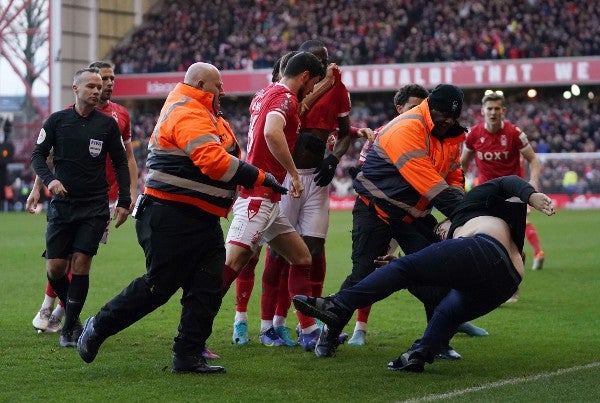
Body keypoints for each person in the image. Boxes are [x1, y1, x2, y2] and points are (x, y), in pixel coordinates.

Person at [76, 62, 288, 374]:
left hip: (198, 218)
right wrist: (261, 177)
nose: (223, 91)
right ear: (201, 84)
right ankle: (98, 326)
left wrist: (248, 176)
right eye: (218, 86)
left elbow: (230, 157)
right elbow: (214, 161)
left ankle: (188, 354)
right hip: (170, 215)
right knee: (159, 287)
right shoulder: (187, 110)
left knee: (208, 283)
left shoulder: (205, 113)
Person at [293, 175, 555, 372]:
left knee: (404, 268)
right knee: (447, 311)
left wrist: (531, 195)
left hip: (486, 249)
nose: (441, 236)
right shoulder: (476, 228)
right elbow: (428, 276)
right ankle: (419, 354)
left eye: (440, 232)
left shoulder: (469, 207)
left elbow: (507, 182)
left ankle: (338, 305)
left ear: (445, 221)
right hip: (506, 282)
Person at [324, 84, 476, 359]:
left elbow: (453, 175)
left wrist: (458, 211)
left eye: (453, 117)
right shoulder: (406, 129)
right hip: (376, 210)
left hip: (412, 215)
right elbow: (432, 187)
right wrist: (468, 215)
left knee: (438, 272)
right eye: (442, 114)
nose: (448, 121)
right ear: (429, 108)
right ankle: (329, 334)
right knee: (363, 275)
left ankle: (437, 340)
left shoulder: (452, 135)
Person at [221, 52, 325, 349]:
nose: (312, 91)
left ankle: (308, 331)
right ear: (305, 76)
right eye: (313, 83)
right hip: (257, 197)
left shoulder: (265, 92)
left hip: (266, 195)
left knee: (302, 257)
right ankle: (194, 327)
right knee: (233, 264)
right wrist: (293, 173)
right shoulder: (287, 98)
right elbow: (271, 131)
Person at [258, 39, 354, 350]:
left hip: (318, 180)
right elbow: (297, 111)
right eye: (314, 63)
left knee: (311, 250)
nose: (321, 68)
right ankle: (271, 323)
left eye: (325, 62)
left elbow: (345, 131)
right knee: (279, 253)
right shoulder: (286, 89)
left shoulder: (336, 85)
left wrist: (334, 158)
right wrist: (325, 83)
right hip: (288, 177)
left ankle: (304, 327)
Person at [29, 60, 138, 335]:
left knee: (81, 262)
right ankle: (68, 315)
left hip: (95, 205)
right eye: (92, 85)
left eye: (100, 86)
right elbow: (40, 156)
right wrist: (47, 182)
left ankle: (68, 328)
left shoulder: (110, 123)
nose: (98, 90)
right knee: (55, 267)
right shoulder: (57, 120)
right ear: (75, 88)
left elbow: (123, 162)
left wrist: (125, 198)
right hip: (63, 206)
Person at [461, 92, 545, 280]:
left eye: (497, 108)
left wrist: (533, 182)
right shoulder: (474, 134)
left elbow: (533, 159)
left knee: (513, 243)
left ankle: (513, 282)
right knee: (480, 233)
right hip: (486, 193)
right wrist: (457, 185)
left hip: (513, 193)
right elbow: (463, 164)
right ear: (482, 111)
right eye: (489, 109)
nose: (493, 112)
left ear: (503, 111)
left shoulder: (514, 133)